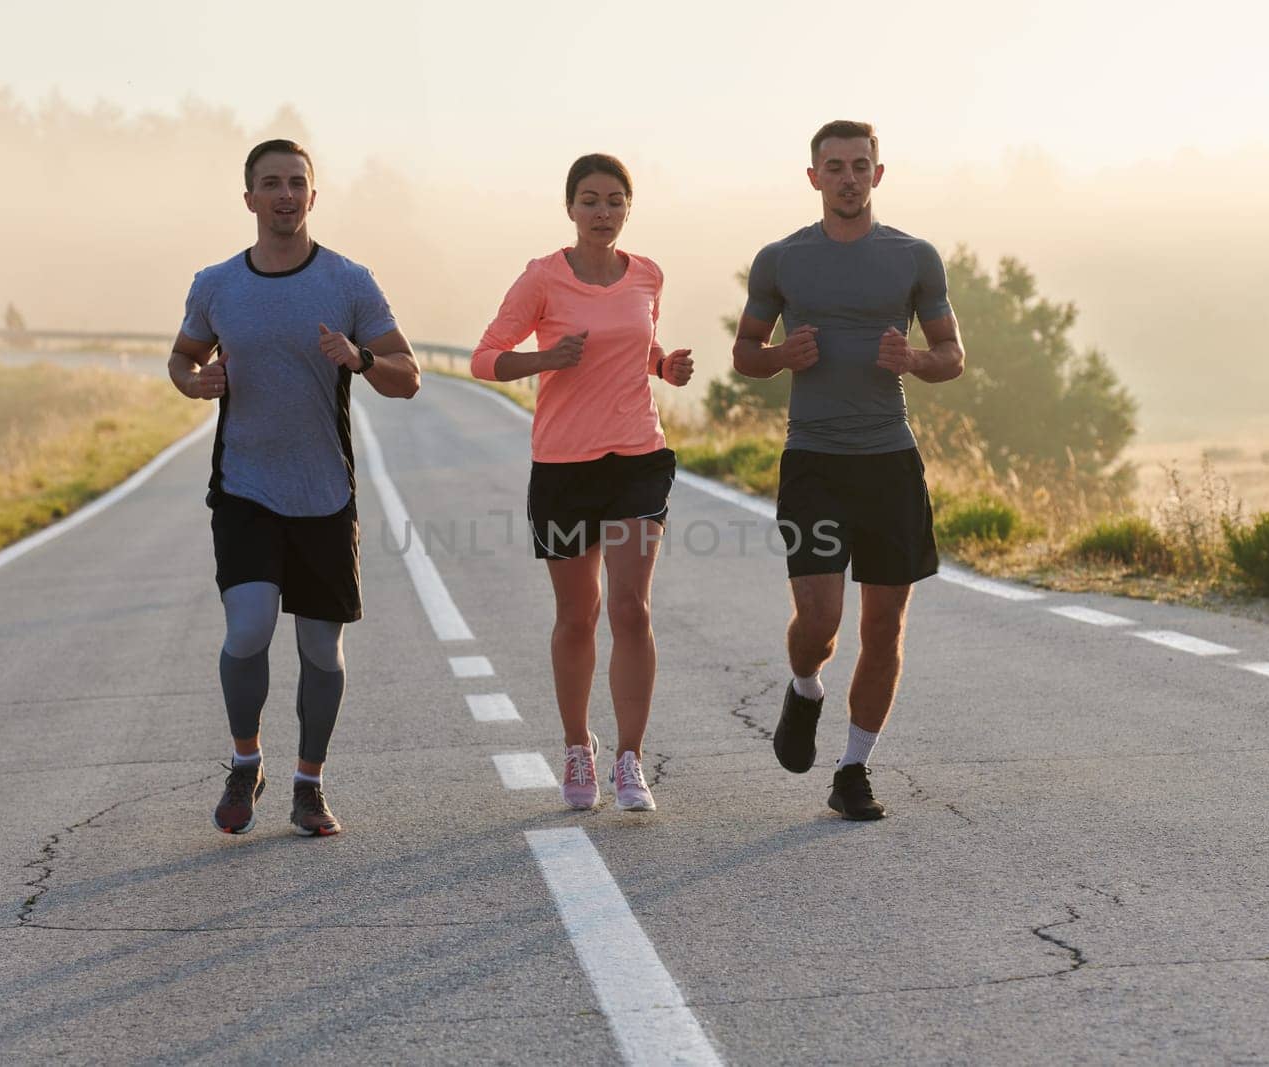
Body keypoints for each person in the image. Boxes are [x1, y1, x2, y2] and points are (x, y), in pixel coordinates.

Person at [168, 139, 420, 836]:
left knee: (320, 651)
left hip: (323, 494)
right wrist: (194, 381)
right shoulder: (217, 283)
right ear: (248, 197)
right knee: (246, 630)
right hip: (245, 486)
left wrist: (361, 356)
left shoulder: (348, 282)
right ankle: (246, 760)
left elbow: (408, 374)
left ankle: (309, 784)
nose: (284, 194)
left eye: (296, 183)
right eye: (270, 183)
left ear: (314, 196)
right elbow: (182, 355)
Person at [732, 120, 965, 821]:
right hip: (814, 461)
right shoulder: (780, 260)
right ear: (813, 178)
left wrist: (917, 361)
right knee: (821, 617)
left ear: (878, 174)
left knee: (885, 626)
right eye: (834, 167)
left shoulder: (914, 257)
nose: (848, 178)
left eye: (860, 166)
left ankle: (853, 768)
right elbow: (745, 350)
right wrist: (779, 357)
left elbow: (951, 353)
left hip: (890, 461)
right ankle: (804, 685)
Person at [472, 153, 694, 812]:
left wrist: (664, 365)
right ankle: (578, 746)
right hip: (565, 467)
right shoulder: (542, 278)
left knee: (632, 610)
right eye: (590, 201)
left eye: (614, 201)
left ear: (629, 207)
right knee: (578, 616)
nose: (603, 213)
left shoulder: (648, 274)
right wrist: (545, 358)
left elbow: (636, 346)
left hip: (637, 459)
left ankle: (631, 758)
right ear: (570, 208)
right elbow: (486, 357)